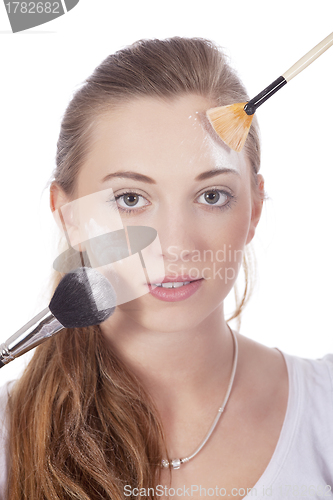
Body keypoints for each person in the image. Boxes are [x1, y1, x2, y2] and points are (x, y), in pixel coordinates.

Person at [0, 37, 332, 500]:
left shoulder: (325, 411)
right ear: (68, 215)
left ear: (254, 208)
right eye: (130, 199)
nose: (175, 246)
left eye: (212, 195)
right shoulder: (7, 436)